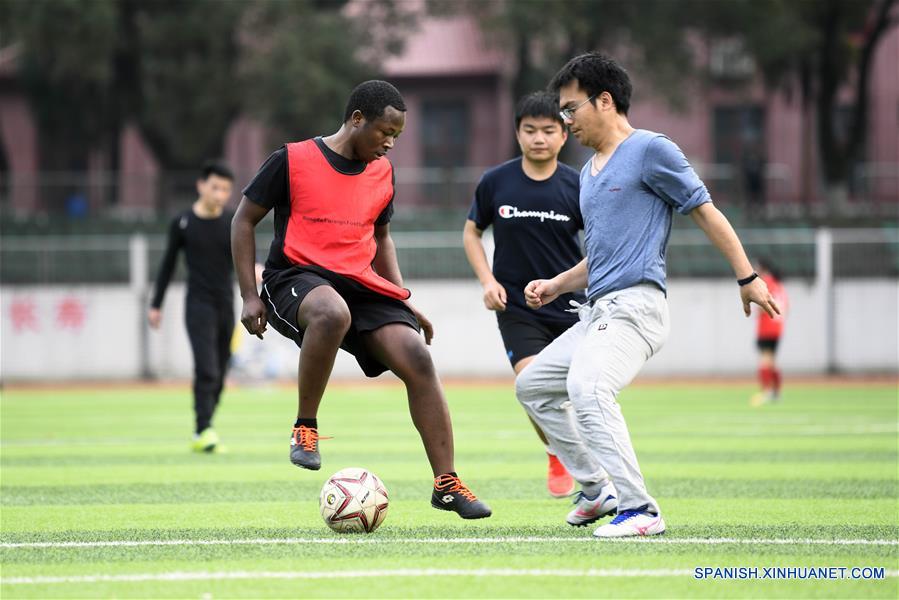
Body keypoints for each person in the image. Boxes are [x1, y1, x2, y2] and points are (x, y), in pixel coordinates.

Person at [515, 53, 779, 538]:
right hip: (597, 311)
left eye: (571, 109)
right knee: (531, 388)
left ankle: (640, 510)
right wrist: (555, 285)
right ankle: (597, 491)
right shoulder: (591, 172)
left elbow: (705, 211)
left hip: (636, 308)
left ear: (606, 100)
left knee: (587, 389)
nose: (565, 120)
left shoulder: (652, 150)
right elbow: (601, 257)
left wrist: (747, 278)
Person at [231, 80, 491, 520]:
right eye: (384, 132)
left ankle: (446, 483)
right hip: (295, 276)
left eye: (398, 136)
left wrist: (402, 298)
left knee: (417, 356)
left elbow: (382, 237)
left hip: (362, 282)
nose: (390, 143)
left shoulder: (383, 173)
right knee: (332, 312)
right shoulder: (291, 160)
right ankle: (306, 427)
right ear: (356, 119)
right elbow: (242, 221)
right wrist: (249, 296)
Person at [463, 91, 584, 498]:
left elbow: (600, 244)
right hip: (516, 306)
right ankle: (555, 452)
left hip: (571, 306)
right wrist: (487, 281)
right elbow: (471, 233)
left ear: (564, 135)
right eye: (530, 130)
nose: (539, 138)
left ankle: (585, 460)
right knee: (531, 382)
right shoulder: (496, 182)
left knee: (578, 391)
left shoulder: (578, 185)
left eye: (548, 130)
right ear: (517, 133)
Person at [149, 161, 236, 453]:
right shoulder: (183, 223)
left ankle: (207, 425)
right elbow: (168, 265)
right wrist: (156, 304)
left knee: (221, 371)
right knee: (207, 367)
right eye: (215, 187)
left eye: (225, 189)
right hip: (198, 304)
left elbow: (247, 258)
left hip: (226, 303)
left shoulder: (232, 222)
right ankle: (202, 429)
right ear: (201, 186)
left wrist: (260, 273)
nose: (220, 194)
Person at [751, 258, 789, 406]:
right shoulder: (779, 284)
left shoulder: (765, 283)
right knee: (772, 360)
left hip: (766, 327)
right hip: (777, 327)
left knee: (765, 360)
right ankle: (776, 392)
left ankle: (766, 392)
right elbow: (786, 306)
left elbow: (762, 304)